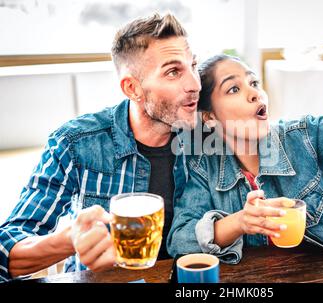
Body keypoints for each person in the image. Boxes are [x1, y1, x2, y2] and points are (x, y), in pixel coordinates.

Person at [166, 53, 323, 269]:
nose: (254, 93)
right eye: (234, 88)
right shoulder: (203, 167)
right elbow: (180, 241)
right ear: (209, 117)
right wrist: (240, 222)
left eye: (254, 82)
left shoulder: (309, 137)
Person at [0, 13, 201, 281]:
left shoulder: (206, 136)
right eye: (173, 72)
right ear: (133, 89)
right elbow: (6, 248)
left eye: (193, 66)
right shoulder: (74, 143)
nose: (195, 84)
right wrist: (69, 240)